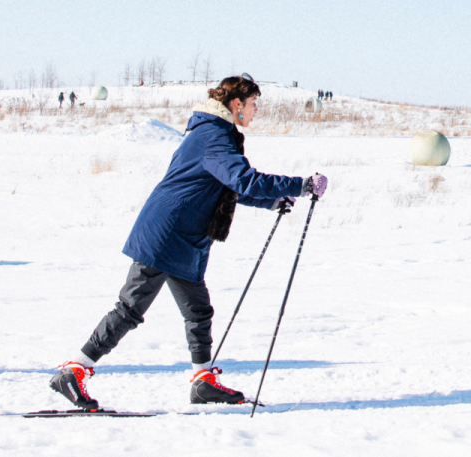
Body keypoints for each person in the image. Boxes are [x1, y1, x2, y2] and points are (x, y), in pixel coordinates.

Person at [50, 74, 327, 409]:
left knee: (198, 311)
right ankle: (75, 370)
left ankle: (202, 380)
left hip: (185, 238)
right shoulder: (213, 135)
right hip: (165, 235)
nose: (255, 111)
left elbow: (226, 186)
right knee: (129, 310)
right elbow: (243, 179)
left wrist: (270, 202)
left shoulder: (216, 133)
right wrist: (300, 185)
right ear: (236, 104)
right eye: (253, 104)